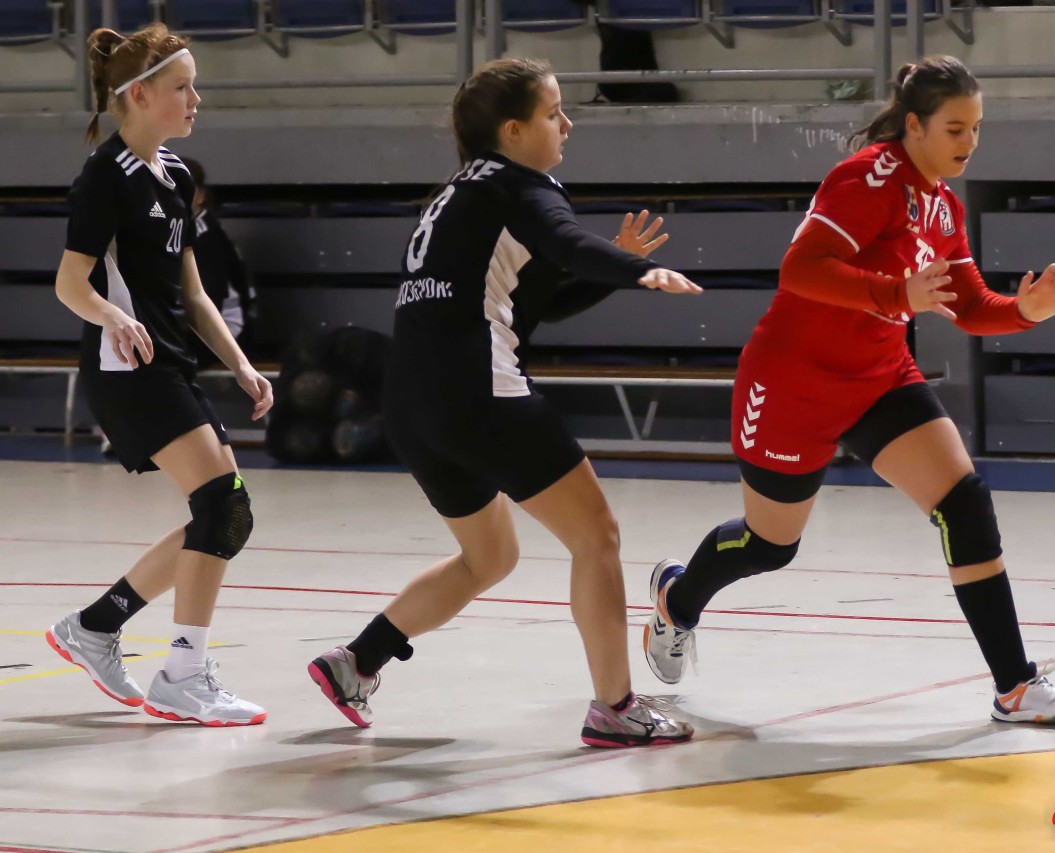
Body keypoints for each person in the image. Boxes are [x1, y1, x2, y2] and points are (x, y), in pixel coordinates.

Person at [643, 56, 1055, 724]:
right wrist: (895, 293)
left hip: (879, 376)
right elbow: (800, 269)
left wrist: (1024, 311)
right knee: (771, 546)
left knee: (964, 503)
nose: (969, 142)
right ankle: (677, 601)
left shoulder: (943, 205)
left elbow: (969, 304)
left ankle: (1015, 687)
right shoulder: (868, 177)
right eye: (955, 129)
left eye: (976, 128)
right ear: (914, 125)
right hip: (792, 384)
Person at [307, 58, 698, 748]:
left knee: (487, 557)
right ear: (513, 131)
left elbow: (539, 300)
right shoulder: (520, 187)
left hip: (413, 403)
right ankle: (615, 706)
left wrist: (614, 268)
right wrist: (637, 268)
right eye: (553, 113)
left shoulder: (461, 194)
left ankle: (357, 661)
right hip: (479, 393)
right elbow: (568, 243)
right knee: (597, 536)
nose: (567, 124)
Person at [46, 24, 274, 726]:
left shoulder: (175, 175)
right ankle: (182, 673)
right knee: (224, 508)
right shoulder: (103, 176)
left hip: (170, 361)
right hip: (126, 366)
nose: (195, 99)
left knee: (223, 512)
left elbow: (194, 294)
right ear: (139, 95)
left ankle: (95, 626)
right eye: (183, 87)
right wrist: (110, 316)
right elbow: (70, 282)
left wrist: (240, 363)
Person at [185, 157, 256, 366]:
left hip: (226, 331)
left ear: (200, 196)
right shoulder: (170, 229)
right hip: (192, 327)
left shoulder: (207, 238)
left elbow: (208, 301)